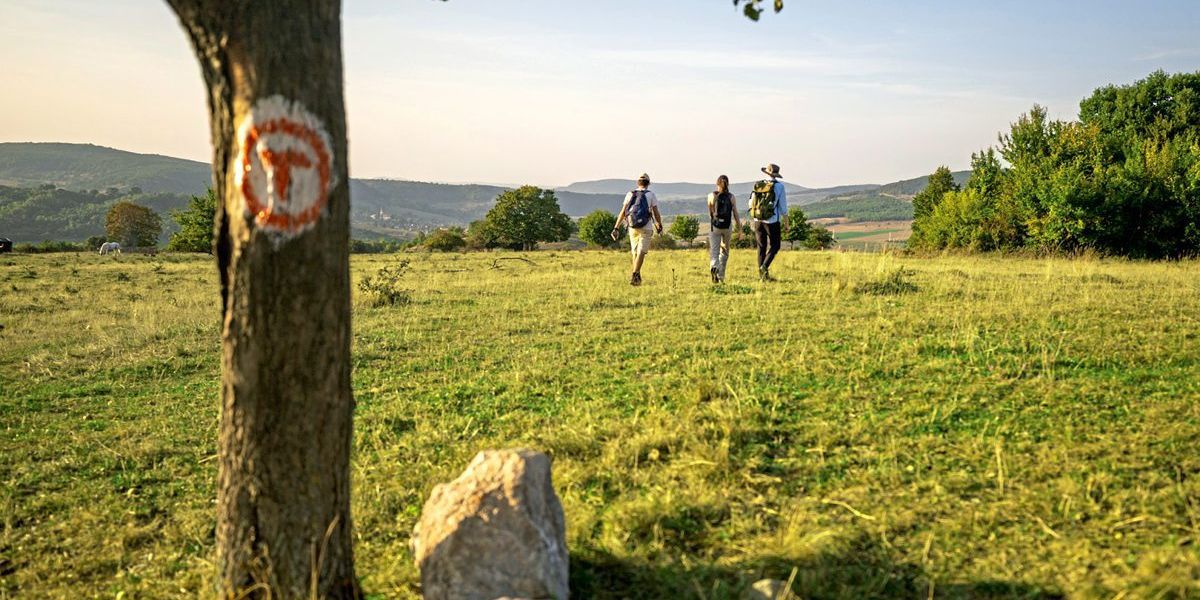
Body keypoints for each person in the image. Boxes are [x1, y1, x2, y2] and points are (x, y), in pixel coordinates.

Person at [612, 173, 664, 286]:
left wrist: (616, 227)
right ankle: (635, 274)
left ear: (638, 183)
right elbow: (656, 212)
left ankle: (637, 278)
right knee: (641, 252)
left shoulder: (630, 194)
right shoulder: (651, 195)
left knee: (635, 252)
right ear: (648, 184)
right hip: (646, 226)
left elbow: (623, 212)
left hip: (632, 226)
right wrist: (659, 224)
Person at [748, 163, 789, 281]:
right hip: (772, 221)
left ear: (766, 172)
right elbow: (783, 208)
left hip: (757, 220)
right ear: (776, 174)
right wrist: (786, 223)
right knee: (775, 245)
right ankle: (764, 267)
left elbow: (750, 203)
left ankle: (763, 276)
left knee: (761, 247)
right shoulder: (779, 186)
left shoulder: (758, 184)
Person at [707, 175, 742, 283]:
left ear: (717, 184)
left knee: (714, 251)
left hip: (715, 226)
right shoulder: (731, 197)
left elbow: (711, 212)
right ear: (728, 184)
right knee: (725, 251)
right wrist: (740, 229)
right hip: (727, 227)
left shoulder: (711, 196)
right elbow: (735, 213)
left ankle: (714, 266)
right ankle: (721, 277)